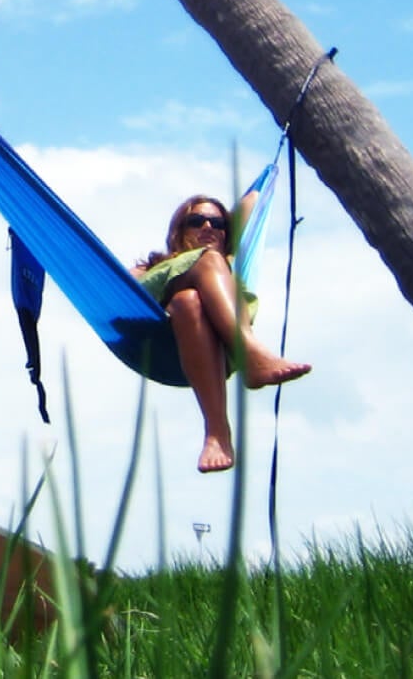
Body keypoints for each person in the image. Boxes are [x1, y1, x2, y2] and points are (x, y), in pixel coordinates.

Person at [132, 194, 312, 473]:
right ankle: (251, 356)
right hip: (160, 340)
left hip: (215, 344)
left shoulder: (224, 263)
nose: (208, 227)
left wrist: (271, 168)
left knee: (189, 300)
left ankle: (217, 435)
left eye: (217, 223)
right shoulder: (149, 267)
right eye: (196, 221)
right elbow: (113, 290)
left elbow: (250, 201)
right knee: (194, 282)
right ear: (178, 231)